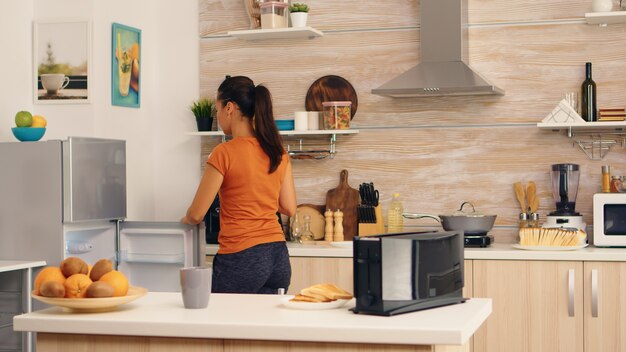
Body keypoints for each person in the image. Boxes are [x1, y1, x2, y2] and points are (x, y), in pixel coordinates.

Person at [182, 76, 296, 294]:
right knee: (264, 325)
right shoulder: (278, 153)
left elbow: (197, 214)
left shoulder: (224, 153)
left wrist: (184, 220)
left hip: (243, 257)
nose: (217, 117)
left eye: (217, 110)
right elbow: (289, 208)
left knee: (222, 324)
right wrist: (261, 194)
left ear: (230, 108)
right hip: (278, 258)